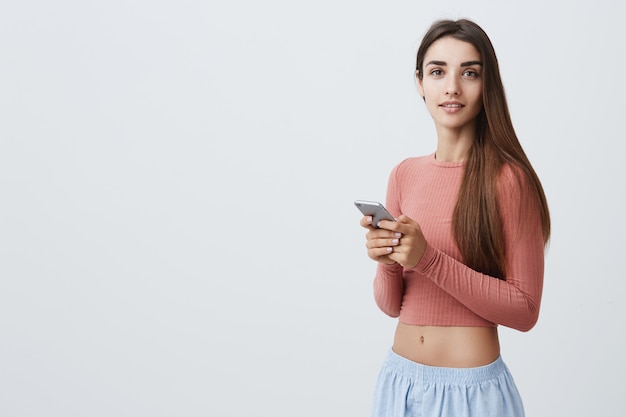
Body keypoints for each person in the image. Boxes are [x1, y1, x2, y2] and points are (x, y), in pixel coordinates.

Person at [359, 19, 550, 417]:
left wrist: (426, 258)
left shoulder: (510, 181)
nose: (451, 87)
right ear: (419, 82)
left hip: (473, 397)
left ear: (487, 84)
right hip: (399, 384)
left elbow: (526, 310)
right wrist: (389, 261)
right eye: (437, 71)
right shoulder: (404, 173)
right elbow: (392, 305)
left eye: (469, 73)